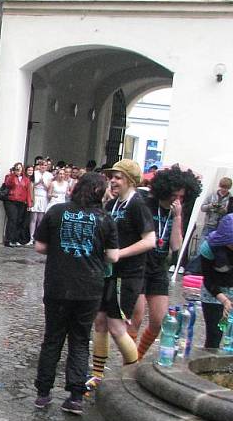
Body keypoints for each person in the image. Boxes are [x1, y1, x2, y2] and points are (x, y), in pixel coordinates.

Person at [33, 173, 119, 414]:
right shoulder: (105, 218)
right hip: (89, 288)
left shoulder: (56, 211)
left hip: (58, 285)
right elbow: (113, 256)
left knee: (52, 337)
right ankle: (75, 396)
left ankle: (43, 392)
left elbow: (40, 246)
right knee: (80, 340)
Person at [89, 159, 155, 387]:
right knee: (99, 322)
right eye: (111, 177)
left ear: (130, 180)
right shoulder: (113, 204)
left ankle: (133, 377)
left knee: (117, 327)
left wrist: (120, 253)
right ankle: (97, 376)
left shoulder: (138, 205)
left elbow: (150, 241)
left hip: (128, 275)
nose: (113, 181)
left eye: (118, 177)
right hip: (109, 273)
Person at [131, 166, 199, 358]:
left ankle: (137, 356)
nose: (177, 200)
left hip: (158, 268)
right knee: (136, 316)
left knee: (159, 321)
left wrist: (178, 218)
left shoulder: (176, 212)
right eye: (174, 195)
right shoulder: (146, 205)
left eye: (182, 197)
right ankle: (129, 361)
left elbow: (176, 247)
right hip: (139, 265)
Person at [185, 176, 232, 274]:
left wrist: (223, 210)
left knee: (215, 251)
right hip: (209, 224)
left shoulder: (230, 199)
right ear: (220, 186)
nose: (224, 190)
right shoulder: (212, 195)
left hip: (221, 228)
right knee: (201, 248)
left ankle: (201, 270)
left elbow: (229, 213)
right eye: (223, 187)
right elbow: (202, 207)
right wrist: (211, 206)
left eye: (226, 188)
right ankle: (192, 269)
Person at [199, 214, 233, 348]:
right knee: (214, 335)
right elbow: (208, 279)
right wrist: (224, 300)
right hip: (213, 292)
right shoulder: (209, 248)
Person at [1, 162, 31, 247]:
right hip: (11, 200)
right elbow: (8, 184)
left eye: (20, 168)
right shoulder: (10, 176)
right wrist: (14, 174)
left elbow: (28, 192)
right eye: (17, 168)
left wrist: (29, 204)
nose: (19, 170)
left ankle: (14, 239)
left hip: (21, 202)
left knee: (18, 220)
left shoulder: (26, 179)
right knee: (12, 219)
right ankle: (8, 239)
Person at [28, 162, 49, 244]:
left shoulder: (49, 175)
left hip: (44, 197)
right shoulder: (35, 173)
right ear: (39, 166)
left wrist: (43, 183)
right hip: (36, 196)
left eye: (45, 165)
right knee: (33, 218)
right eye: (42, 165)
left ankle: (38, 237)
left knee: (40, 219)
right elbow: (31, 185)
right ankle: (31, 237)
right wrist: (38, 183)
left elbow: (50, 187)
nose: (43, 167)